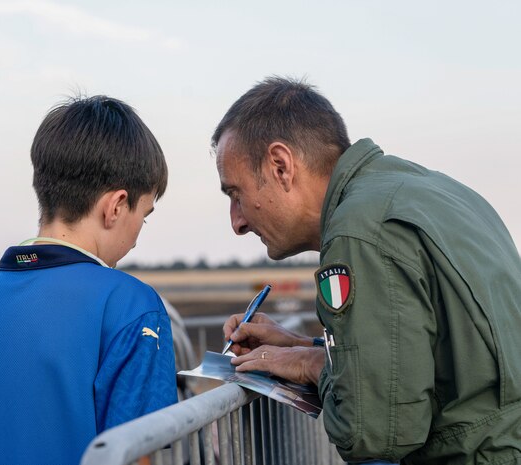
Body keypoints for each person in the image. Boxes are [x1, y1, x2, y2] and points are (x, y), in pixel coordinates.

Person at [214, 77, 521, 464]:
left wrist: (312, 365)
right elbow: (428, 356)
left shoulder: (359, 231)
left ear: (281, 166)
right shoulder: (428, 190)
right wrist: (299, 346)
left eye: (236, 194)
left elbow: (374, 430)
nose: (236, 222)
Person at [0, 96, 178, 465]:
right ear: (115, 206)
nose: (137, 235)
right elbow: (135, 453)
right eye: (143, 216)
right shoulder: (132, 305)